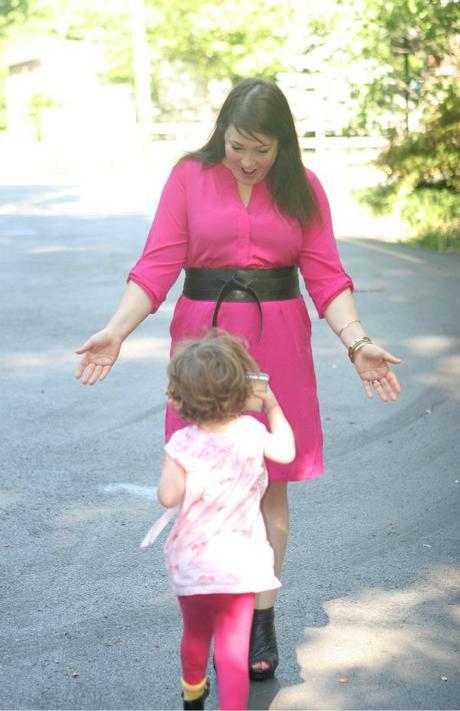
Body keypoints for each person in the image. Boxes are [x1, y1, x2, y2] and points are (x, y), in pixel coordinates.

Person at [75, 77, 402, 681]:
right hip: (204, 346)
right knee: (204, 481)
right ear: (220, 135)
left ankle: (261, 616)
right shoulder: (187, 178)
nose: (248, 162)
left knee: (269, 483)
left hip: (279, 341)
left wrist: (357, 343)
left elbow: (327, 276)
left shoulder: (303, 189)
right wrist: (116, 330)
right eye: (237, 147)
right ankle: (216, 604)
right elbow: (157, 263)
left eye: (262, 150)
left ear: (284, 145)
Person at [140, 330, 295, 710]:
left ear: (182, 397)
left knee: (195, 634)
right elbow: (287, 453)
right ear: (242, 388)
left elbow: (168, 496)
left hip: (194, 564)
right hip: (242, 564)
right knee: (232, 648)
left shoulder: (182, 444)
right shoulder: (252, 432)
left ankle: (193, 694)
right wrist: (273, 406)